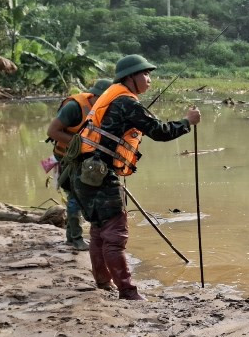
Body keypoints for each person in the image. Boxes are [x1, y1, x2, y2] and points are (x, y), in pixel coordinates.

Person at [71, 55, 201, 301]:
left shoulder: (112, 96)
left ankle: (102, 282)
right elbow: (160, 132)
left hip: (84, 173)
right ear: (130, 78)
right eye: (145, 74)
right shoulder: (126, 103)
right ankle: (128, 292)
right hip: (99, 174)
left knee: (99, 229)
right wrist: (187, 122)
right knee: (114, 232)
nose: (149, 80)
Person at [45, 78, 112, 250]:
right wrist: (82, 145)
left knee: (88, 196)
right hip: (66, 158)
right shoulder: (74, 107)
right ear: (95, 95)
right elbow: (52, 131)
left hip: (86, 159)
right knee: (75, 197)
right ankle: (75, 238)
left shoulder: (105, 110)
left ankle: (73, 236)